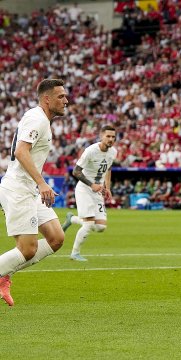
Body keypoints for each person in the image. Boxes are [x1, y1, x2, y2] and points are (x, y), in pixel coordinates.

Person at [0, 79, 68, 306]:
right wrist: (42, 183)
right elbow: (21, 151)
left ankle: (6, 271)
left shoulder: (43, 121)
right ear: (46, 99)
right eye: (61, 97)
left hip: (29, 189)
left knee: (56, 238)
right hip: (19, 188)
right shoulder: (36, 118)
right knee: (28, 249)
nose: (66, 101)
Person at [61, 125, 117, 261]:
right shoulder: (90, 151)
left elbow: (108, 168)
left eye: (113, 137)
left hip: (97, 191)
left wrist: (107, 187)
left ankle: (72, 219)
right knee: (89, 224)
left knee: (100, 226)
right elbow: (76, 171)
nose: (111, 139)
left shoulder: (113, 152)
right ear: (101, 136)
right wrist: (92, 184)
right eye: (108, 136)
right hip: (84, 189)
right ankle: (75, 253)